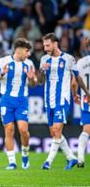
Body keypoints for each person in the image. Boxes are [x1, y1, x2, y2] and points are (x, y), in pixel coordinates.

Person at [38, 33, 90, 170]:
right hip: (48, 101)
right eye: (44, 45)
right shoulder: (44, 59)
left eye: (48, 45)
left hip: (62, 99)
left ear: (55, 44)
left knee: (56, 129)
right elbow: (39, 81)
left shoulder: (68, 59)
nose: (45, 48)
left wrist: (85, 92)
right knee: (54, 133)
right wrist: (42, 71)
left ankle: (48, 162)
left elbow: (77, 78)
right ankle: (71, 158)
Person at [0, 38, 36, 170]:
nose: (28, 54)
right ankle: (12, 162)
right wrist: (2, 74)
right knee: (9, 130)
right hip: (7, 100)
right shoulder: (3, 61)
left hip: (22, 101)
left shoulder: (29, 64)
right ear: (19, 50)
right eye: (27, 51)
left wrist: (31, 78)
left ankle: (25, 156)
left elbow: (33, 85)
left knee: (23, 130)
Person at [71, 38, 90, 168]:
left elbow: (74, 83)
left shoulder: (81, 62)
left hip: (87, 99)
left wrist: (75, 95)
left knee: (86, 130)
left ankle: (80, 159)